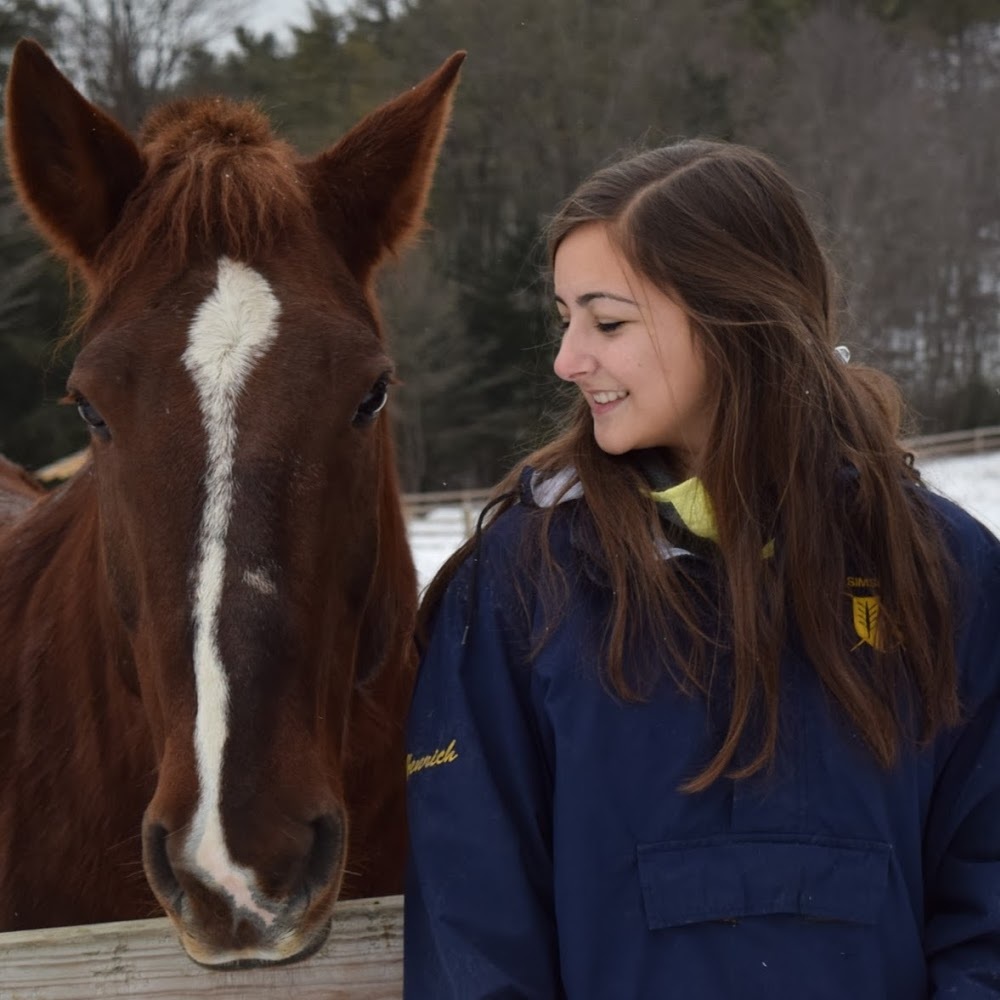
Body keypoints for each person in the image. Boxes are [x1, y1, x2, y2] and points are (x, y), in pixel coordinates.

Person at [402, 139, 1000, 999]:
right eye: (564, 318)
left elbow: (987, 900)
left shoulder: (943, 571)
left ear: (734, 319)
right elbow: (475, 931)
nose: (569, 360)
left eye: (606, 322)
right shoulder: (519, 585)